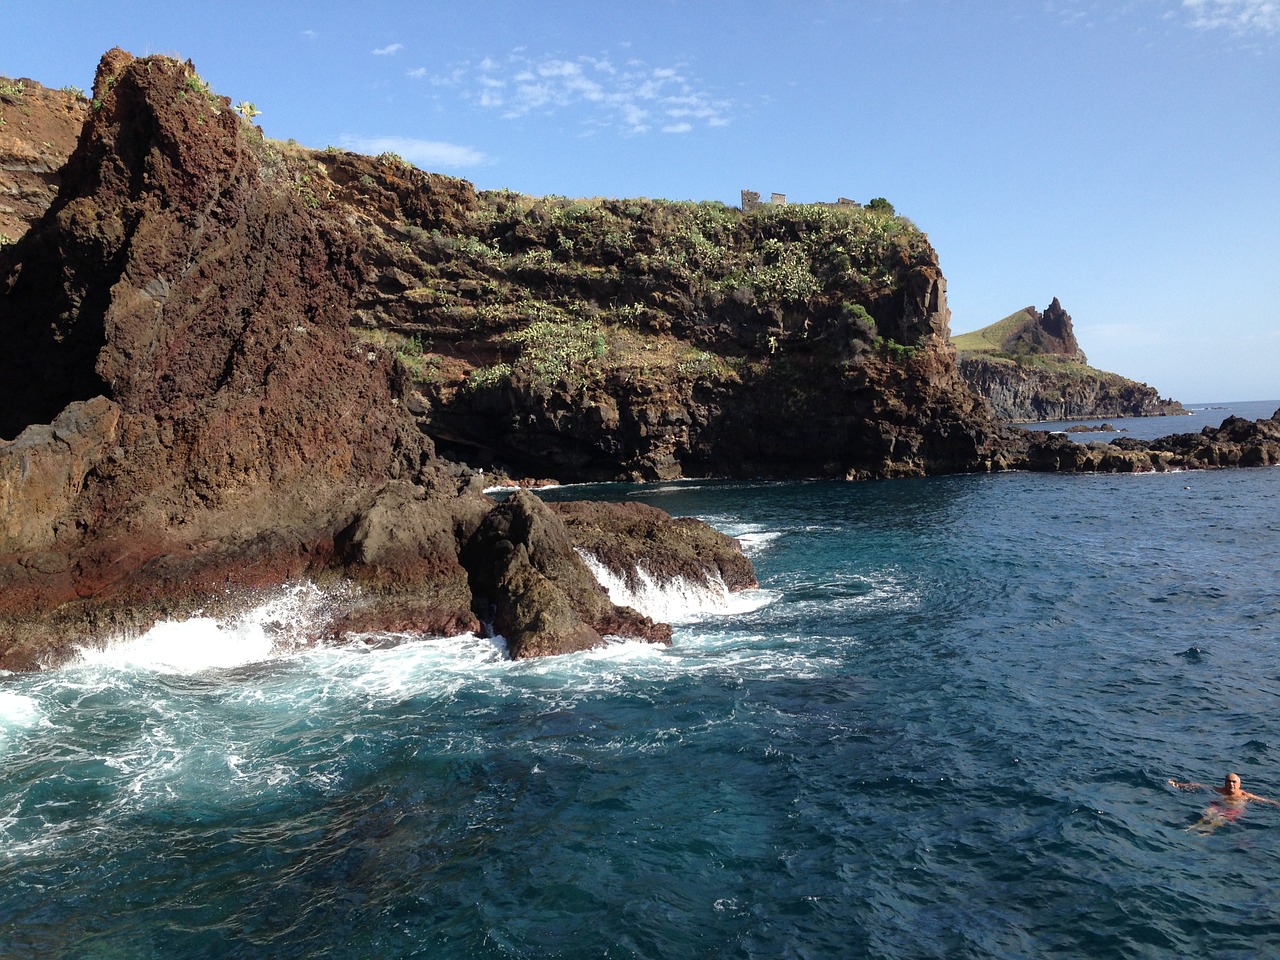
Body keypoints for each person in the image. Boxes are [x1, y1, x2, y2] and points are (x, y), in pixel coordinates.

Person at [1168, 772, 1279, 834]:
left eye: (1234, 782)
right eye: (1228, 781)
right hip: (1218, 805)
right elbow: (1198, 785)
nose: (1231, 784)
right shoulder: (1220, 790)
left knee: (1219, 818)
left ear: (1239, 784)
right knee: (1207, 812)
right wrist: (1178, 784)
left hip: (1232, 810)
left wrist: (1277, 804)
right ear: (1225, 783)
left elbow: (1265, 800)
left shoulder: (1244, 795)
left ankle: (1204, 832)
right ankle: (1190, 828)